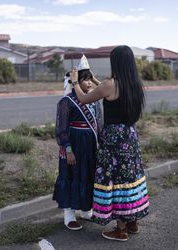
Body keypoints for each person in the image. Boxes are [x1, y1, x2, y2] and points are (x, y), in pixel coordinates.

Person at [70, 45, 149, 241]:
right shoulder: (135, 84)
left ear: (116, 62)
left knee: (115, 180)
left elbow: (84, 98)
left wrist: (74, 82)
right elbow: (106, 88)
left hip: (113, 139)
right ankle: (132, 222)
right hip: (129, 137)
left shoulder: (110, 85)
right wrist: (96, 80)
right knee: (130, 177)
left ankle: (120, 229)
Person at [53, 55, 102, 231]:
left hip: (90, 146)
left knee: (88, 175)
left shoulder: (94, 100)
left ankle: (87, 210)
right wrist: (68, 149)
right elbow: (61, 128)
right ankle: (69, 214)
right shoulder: (67, 101)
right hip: (74, 145)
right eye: (84, 79)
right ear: (76, 81)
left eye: (90, 79)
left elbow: (99, 123)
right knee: (72, 175)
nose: (89, 83)